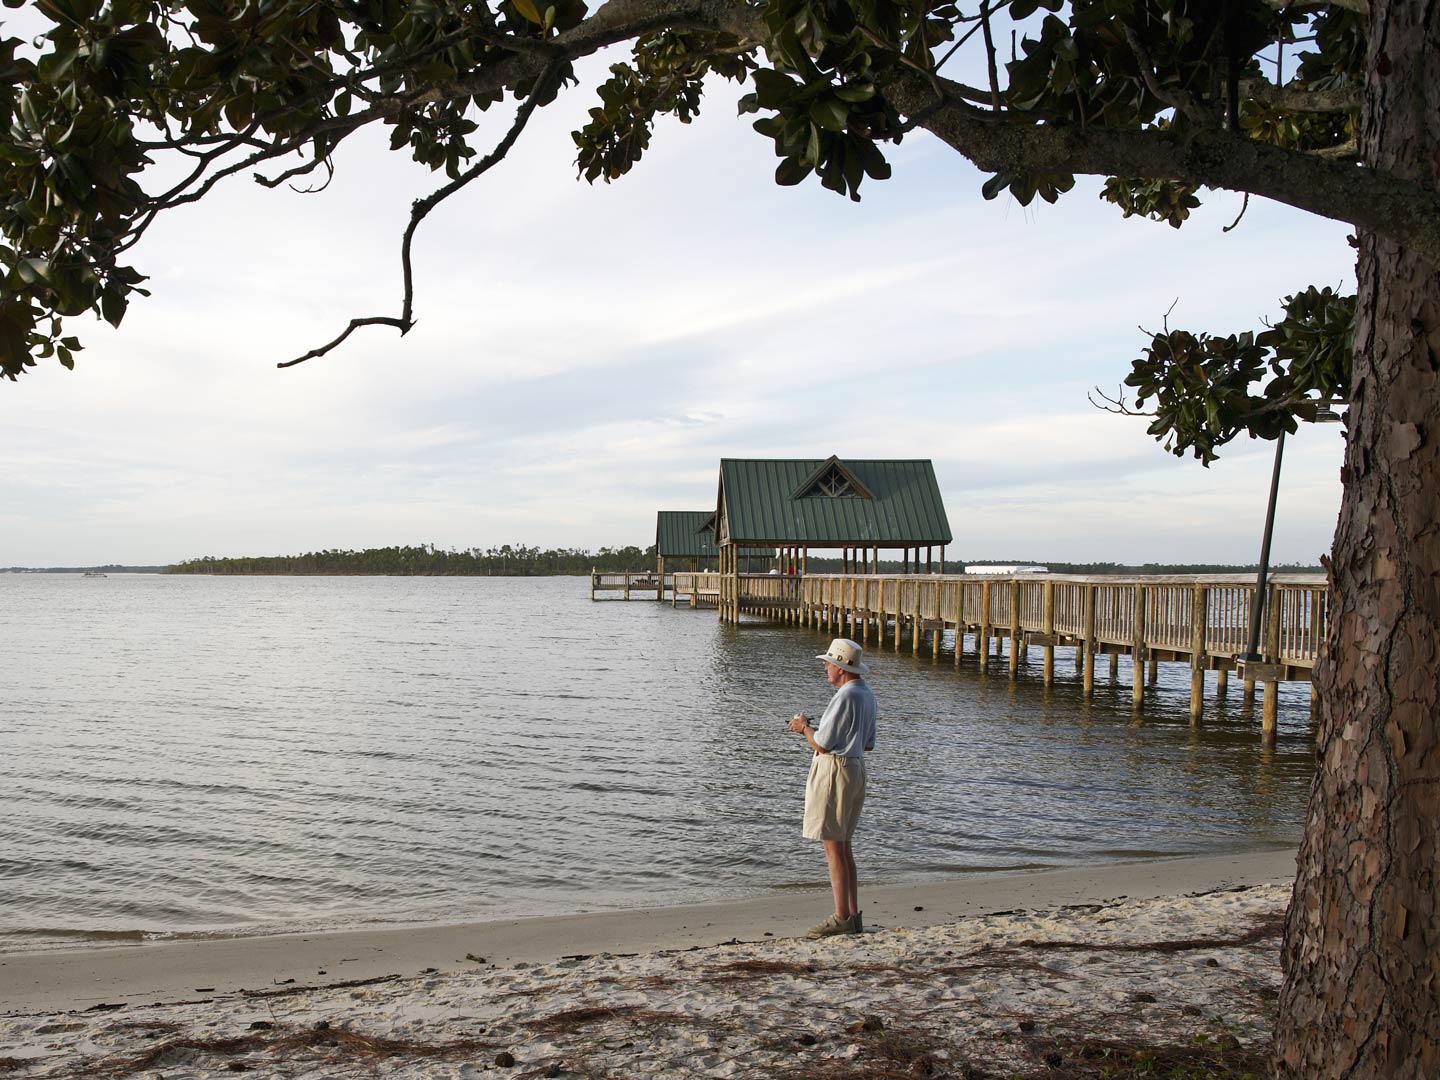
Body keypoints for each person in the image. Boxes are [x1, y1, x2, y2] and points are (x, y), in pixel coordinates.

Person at [788, 637, 877, 936]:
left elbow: (823, 745)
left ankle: (841, 917)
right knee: (844, 846)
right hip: (855, 769)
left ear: (841, 667)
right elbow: (867, 744)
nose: (826, 667)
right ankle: (852, 914)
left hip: (836, 771)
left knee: (834, 848)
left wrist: (803, 727)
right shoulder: (867, 693)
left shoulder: (846, 696)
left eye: (828, 663)